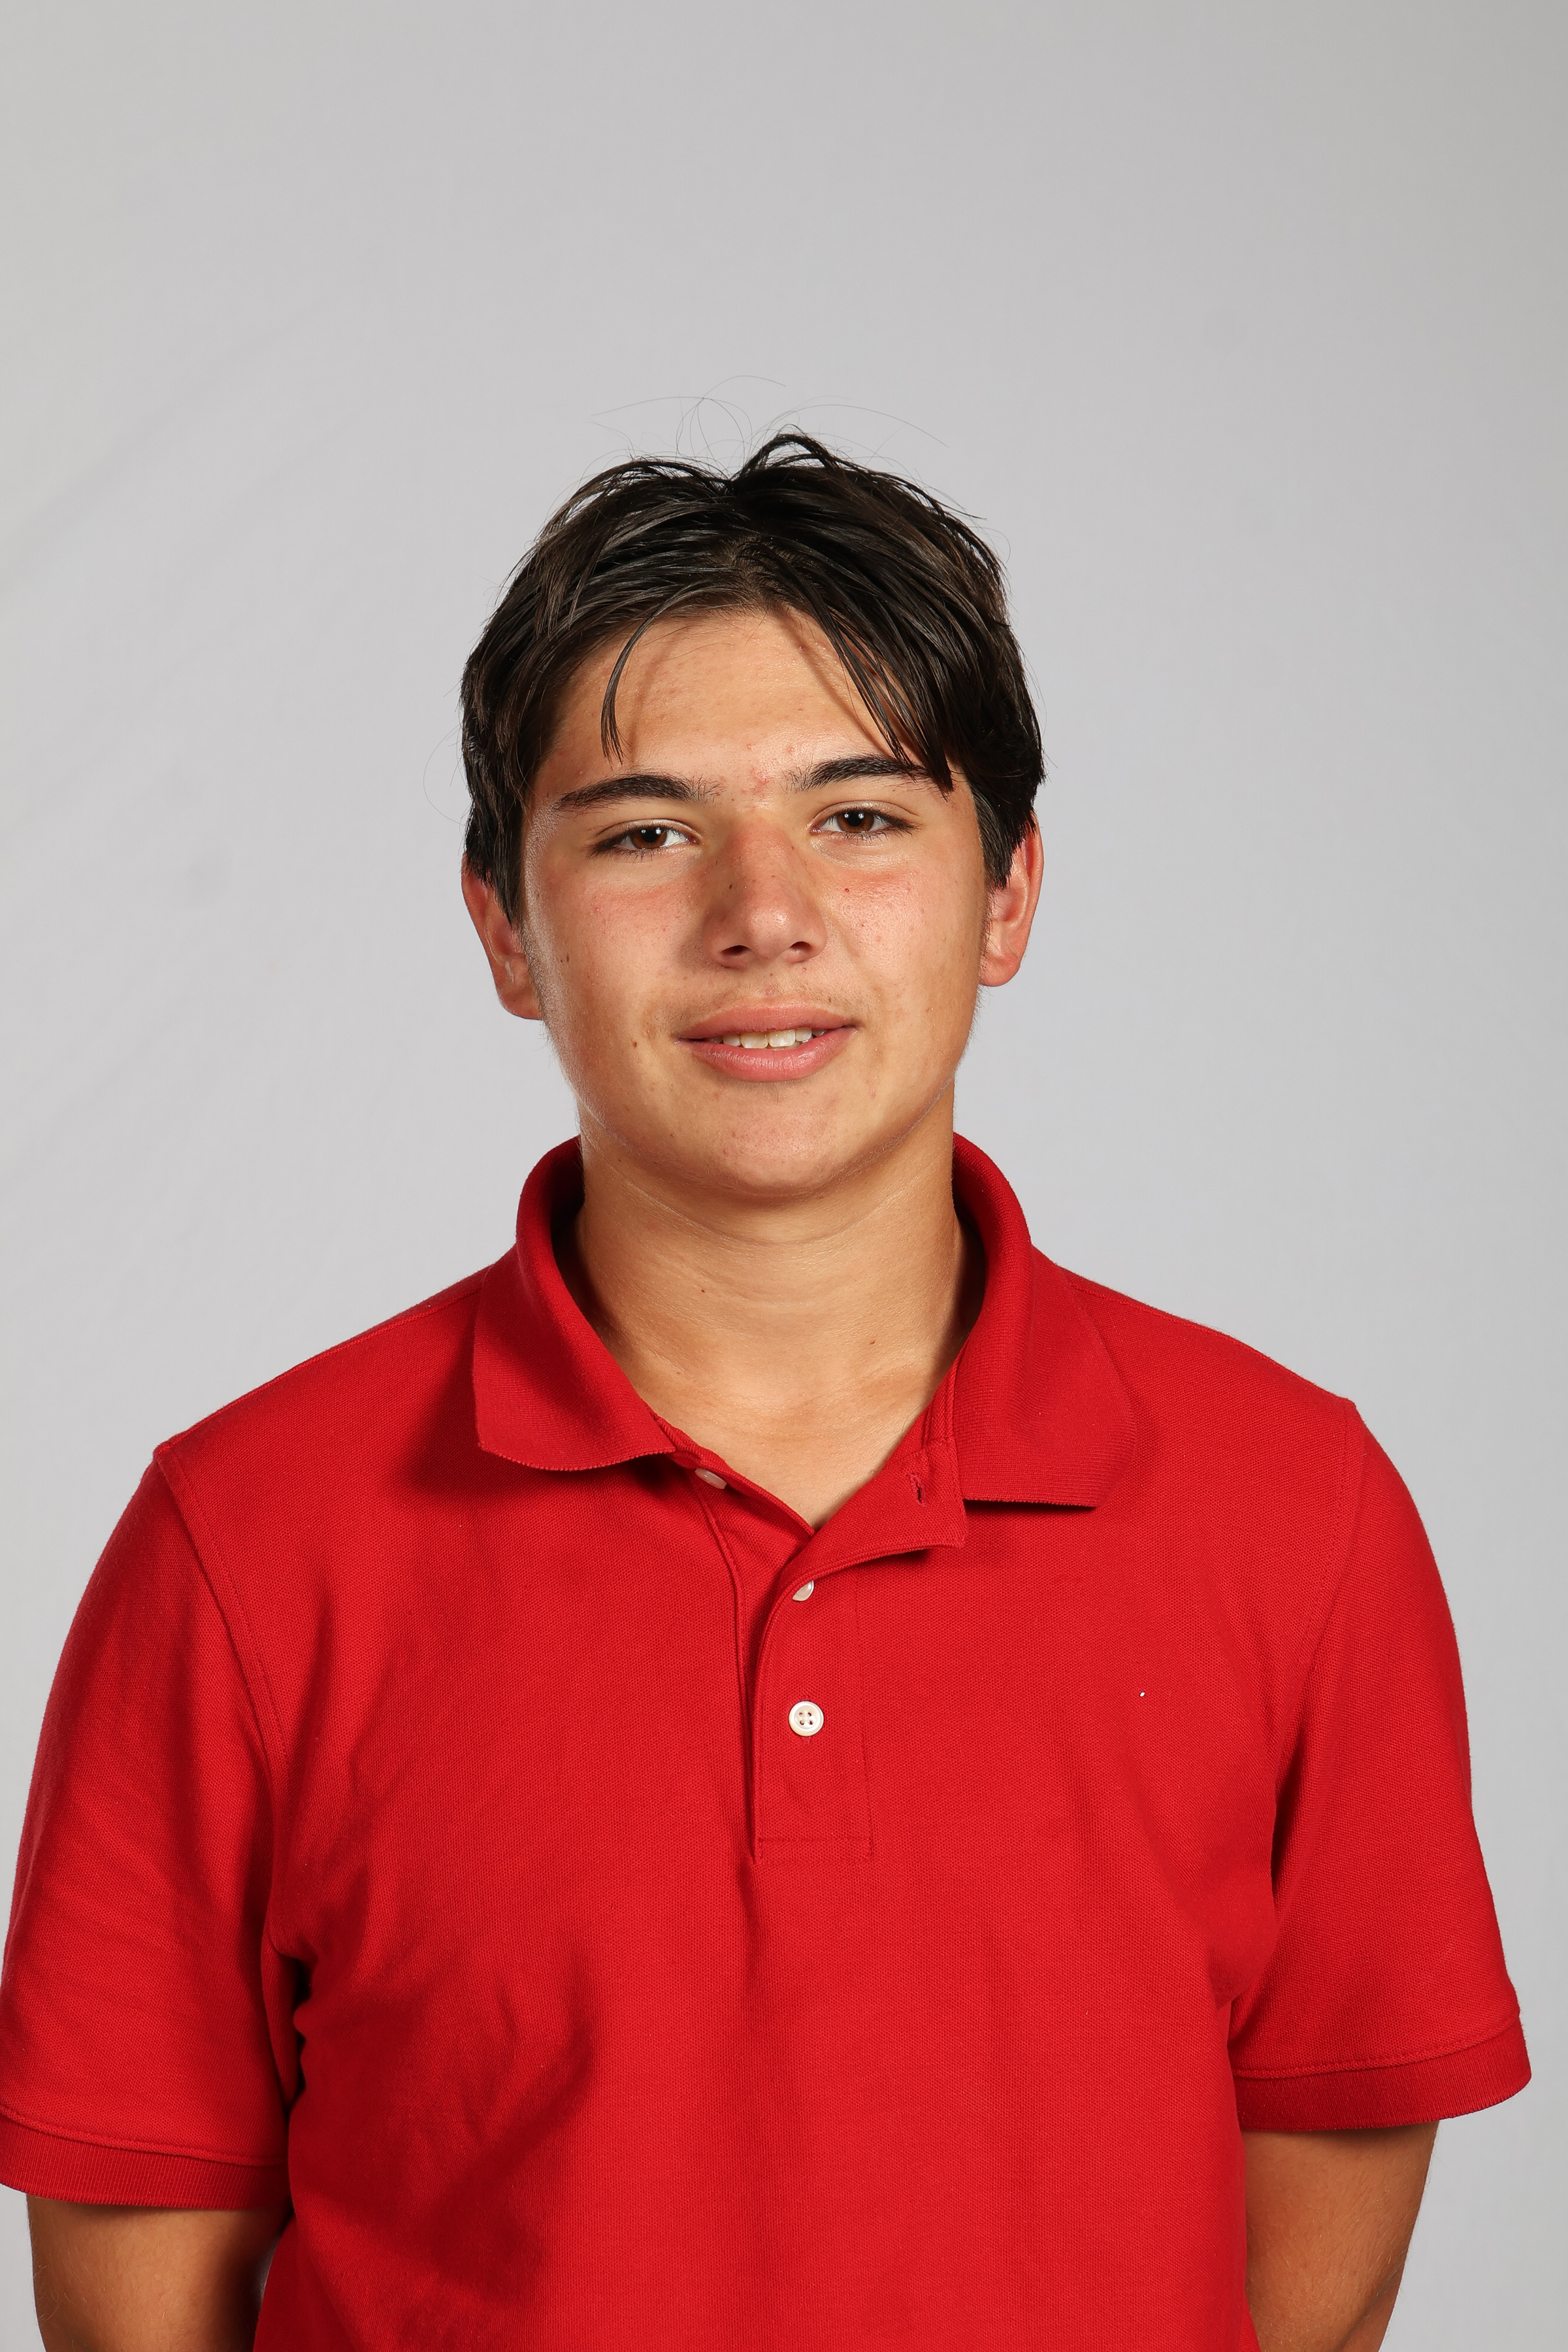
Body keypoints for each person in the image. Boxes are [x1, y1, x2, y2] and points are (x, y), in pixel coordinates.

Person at [0, 436, 1527, 2351]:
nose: (763, 913)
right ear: (505, 928)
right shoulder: (245, 1541)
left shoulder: (1294, 1510)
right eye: (644, 833)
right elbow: (141, 2275)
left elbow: (1325, 2218)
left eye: (860, 816)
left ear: (1008, 895)